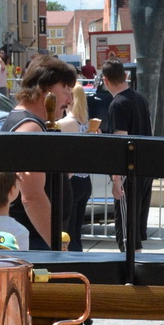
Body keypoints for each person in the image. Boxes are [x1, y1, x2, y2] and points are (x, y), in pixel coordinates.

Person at [0, 54, 77, 249]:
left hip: (35, 237)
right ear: (44, 88)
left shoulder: (27, 121)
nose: (69, 99)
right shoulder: (30, 127)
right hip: (35, 242)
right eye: (65, 89)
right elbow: (31, 196)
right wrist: (57, 247)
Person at [101, 60, 152, 248]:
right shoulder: (140, 99)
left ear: (105, 80)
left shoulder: (118, 104)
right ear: (125, 76)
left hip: (128, 173)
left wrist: (116, 181)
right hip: (145, 169)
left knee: (125, 233)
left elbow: (120, 142)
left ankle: (128, 273)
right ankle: (135, 269)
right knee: (136, 231)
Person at [56, 82, 98, 251]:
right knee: (76, 232)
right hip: (84, 181)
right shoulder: (85, 123)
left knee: (67, 232)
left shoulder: (66, 123)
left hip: (71, 181)